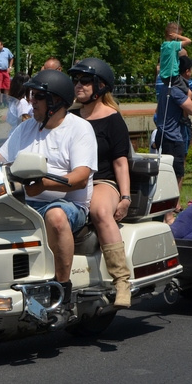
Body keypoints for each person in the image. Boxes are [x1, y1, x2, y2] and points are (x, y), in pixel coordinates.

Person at [0, 69, 97, 299]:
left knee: (56, 217)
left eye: (38, 96)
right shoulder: (26, 127)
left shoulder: (79, 129)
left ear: (56, 101)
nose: (31, 101)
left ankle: (61, 291)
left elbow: (80, 177)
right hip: (25, 201)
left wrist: (44, 185)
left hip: (69, 204)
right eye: (30, 95)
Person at [69, 58, 133, 308]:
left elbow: (120, 162)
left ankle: (121, 281)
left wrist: (125, 197)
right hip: (69, 181)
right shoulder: (70, 117)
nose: (78, 85)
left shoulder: (113, 119)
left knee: (99, 211)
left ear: (101, 86)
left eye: (85, 81)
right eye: (75, 80)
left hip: (102, 181)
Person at [154, 57, 192, 207]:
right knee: (177, 174)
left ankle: (174, 204)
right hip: (173, 137)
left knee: (169, 172)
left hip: (164, 134)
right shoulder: (176, 91)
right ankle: (173, 206)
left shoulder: (165, 88)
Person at [158, 21, 192, 95]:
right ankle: (187, 105)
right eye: (178, 36)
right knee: (189, 93)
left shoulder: (163, 45)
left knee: (184, 84)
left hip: (164, 76)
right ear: (172, 35)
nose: (179, 39)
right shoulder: (173, 45)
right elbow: (189, 41)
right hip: (173, 76)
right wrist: (178, 36)